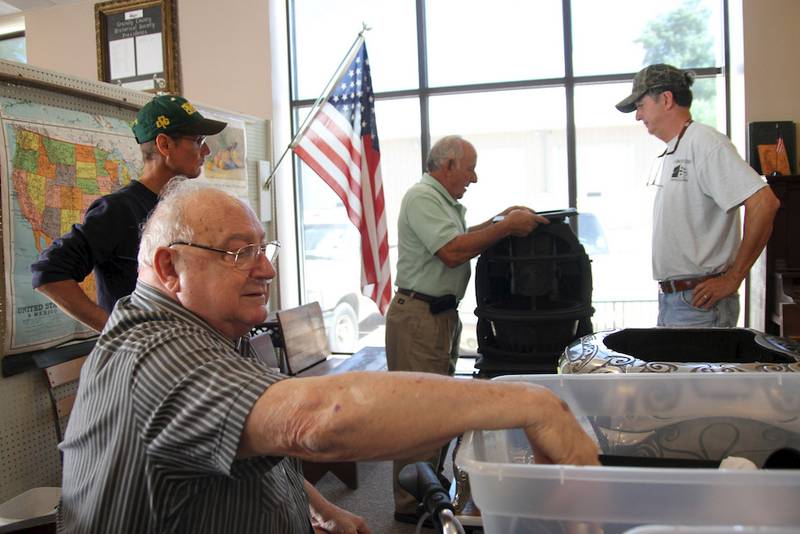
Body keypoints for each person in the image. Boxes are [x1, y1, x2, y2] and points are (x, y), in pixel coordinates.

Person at [58, 182, 599, 534]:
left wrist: (319, 507)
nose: (265, 270)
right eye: (237, 252)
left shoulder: (214, 333)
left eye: (261, 249)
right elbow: (316, 423)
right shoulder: (152, 352)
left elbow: (242, 444)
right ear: (169, 269)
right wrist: (528, 404)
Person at [384, 134, 550, 523]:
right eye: (470, 168)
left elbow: (460, 236)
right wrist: (506, 227)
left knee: (437, 410)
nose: (473, 178)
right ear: (448, 165)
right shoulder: (422, 197)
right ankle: (410, 506)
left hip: (439, 316)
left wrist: (499, 219)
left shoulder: (443, 202)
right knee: (419, 414)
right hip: (419, 318)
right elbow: (453, 250)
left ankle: (427, 487)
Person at [30, 94, 226, 332]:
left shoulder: (177, 208)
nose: (206, 150)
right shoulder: (118, 210)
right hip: (142, 361)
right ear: (164, 145)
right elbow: (49, 273)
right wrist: (116, 330)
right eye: (198, 139)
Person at [616, 64, 780, 327]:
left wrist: (733, 277)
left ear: (666, 99)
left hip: (699, 303)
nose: (638, 116)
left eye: (641, 105)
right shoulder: (676, 149)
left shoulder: (704, 142)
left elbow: (764, 203)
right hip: (677, 301)